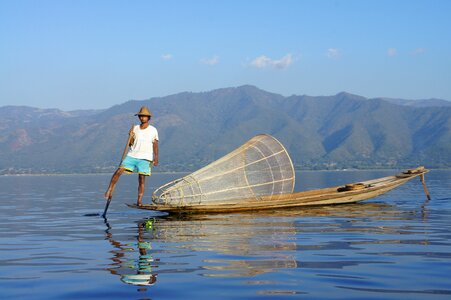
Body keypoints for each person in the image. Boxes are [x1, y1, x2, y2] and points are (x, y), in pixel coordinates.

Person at [104, 106, 159, 206]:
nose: (142, 118)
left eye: (144, 116)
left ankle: (139, 200)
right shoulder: (135, 128)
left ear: (148, 118)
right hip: (132, 155)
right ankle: (109, 190)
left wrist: (156, 157)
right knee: (118, 171)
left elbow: (155, 144)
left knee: (141, 178)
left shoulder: (153, 130)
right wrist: (130, 136)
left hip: (145, 158)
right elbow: (130, 144)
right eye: (140, 116)